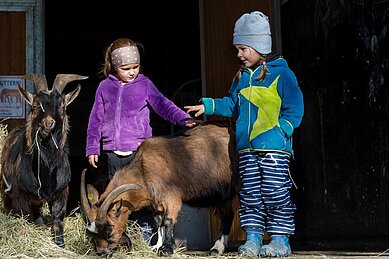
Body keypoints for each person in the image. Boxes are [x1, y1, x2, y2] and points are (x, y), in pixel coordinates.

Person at [185, 11, 304, 257]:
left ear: (260, 46)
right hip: (247, 151)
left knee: (275, 192)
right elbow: (232, 105)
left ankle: (280, 240)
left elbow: (295, 108)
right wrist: (207, 106)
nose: (239, 54)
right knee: (249, 194)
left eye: (243, 48)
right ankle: (253, 239)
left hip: (273, 150)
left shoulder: (282, 74)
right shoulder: (241, 77)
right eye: (237, 49)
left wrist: (282, 130)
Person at [86, 37, 199, 244]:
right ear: (114, 66)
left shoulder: (144, 84)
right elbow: (96, 118)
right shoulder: (104, 87)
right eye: (126, 68)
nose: (132, 72)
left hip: (139, 153)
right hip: (112, 152)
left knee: (143, 197)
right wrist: (92, 146)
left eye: (135, 67)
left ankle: (146, 238)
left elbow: (163, 105)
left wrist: (183, 118)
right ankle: (123, 238)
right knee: (117, 202)